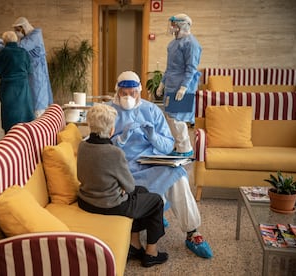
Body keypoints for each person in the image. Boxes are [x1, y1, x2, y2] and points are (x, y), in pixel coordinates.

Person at [108, 71, 213, 259]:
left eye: (133, 93)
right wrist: (120, 139)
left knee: (179, 175)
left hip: (150, 163)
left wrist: (152, 135)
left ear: (139, 91)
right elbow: (100, 145)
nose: (129, 97)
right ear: (118, 91)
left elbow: (167, 145)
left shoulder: (151, 110)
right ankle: (155, 212)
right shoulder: (109, 112)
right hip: (124, 168)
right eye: (124, 93)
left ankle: (192, 232)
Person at [77, 104, 168, 267]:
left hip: (86, 201)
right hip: (109, 205)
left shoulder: (82, 146)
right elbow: (130, 186)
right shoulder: (114, 152)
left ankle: (134, 244)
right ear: (112, 129)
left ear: (90, 125)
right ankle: (151, 253)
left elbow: (81, 176)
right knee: (155, 201)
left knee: (143, 191)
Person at [156, 13, 202, 157]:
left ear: (182, 25)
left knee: (178, 119)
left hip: (183, 86)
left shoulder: (191, 44)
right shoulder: (173, 44)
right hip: (171, 84)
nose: (171, 27)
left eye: (174, 24)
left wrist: (184, 87)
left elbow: (191, 68)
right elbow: (169, 67)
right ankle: (178, 146)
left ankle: (185, 148)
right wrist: (162, 84)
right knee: (170, 117)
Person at [0, 31, 34, 133]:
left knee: (10, 120)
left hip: (9, 89)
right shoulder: (24, 52)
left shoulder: (3, 53)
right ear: (16, 39)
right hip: (24, 88)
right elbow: (30, 70)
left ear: (4, 41)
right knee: (24, 117)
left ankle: (11, 144)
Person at [12, 17, 53, 118]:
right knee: (33, 105)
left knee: (38, 106)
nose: (17, 33)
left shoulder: (35, 36)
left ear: (23, 28)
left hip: (37, 74)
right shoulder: (27, 37)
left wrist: (6, 44)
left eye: (18, 30)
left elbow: (21, 47)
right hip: (33, 73)